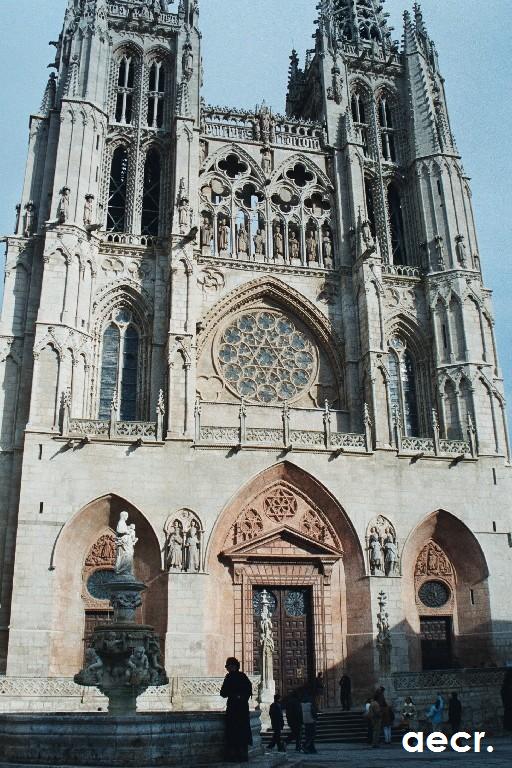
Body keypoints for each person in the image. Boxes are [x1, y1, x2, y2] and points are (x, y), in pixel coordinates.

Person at [220, 657, 253, 763]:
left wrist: (234, 695)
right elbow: (248, 690)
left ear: (232, 666)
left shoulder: (230, 677)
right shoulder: (243, 677)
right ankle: (242, 755)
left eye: (228, 666)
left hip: (234, 709)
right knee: (242, 731)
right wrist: (241, 697)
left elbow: (223, 693)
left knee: (233, 732)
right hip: (242, 708)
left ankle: (234, 755)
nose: (227, 669)